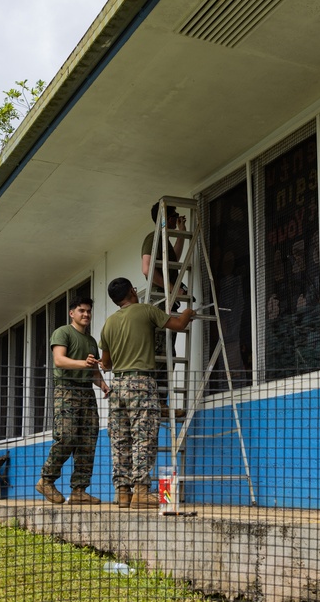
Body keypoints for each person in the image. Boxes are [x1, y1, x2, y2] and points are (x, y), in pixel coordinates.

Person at [99, 277, 194, 509]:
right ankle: (141, 491)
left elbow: (106, 364)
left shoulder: (108, 323)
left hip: (117, 386)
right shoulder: (146, 310)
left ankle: (122, 492)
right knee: (144, 437)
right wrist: (189, 312)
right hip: (141, 383)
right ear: (132, 290)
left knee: (121, 439)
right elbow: (179, 325)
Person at [36, 296, 110, 505]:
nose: (86, 314)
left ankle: (79, 490)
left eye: (88, 311)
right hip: (66, 390)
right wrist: (83, 364)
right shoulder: (63, 332)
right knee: (66, 437)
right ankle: (46, 480)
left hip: (87, 392)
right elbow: (59, 360)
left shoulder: (91, 341)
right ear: (72, 313)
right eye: (81, 311)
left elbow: (93, 370)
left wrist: (103, 385)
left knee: (88, 440)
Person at [142, 202, 188, 416]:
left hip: (168, 302)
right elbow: (147, 268)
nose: (175, 218)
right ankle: (157, 403)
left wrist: (180, 234)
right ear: (165, 218)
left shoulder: (164, 242)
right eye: (173, 215)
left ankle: (161, 402)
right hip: (160, 303)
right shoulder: (153, 238)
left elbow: (174, 260)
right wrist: (170, 288)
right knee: (161, 353)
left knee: (169, 352)